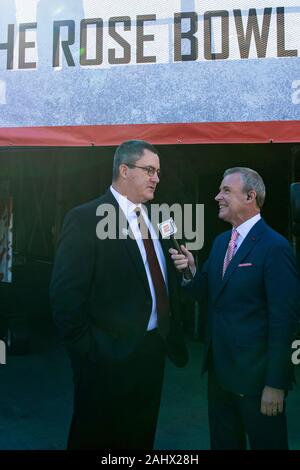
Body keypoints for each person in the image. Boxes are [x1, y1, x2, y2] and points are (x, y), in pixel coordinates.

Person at [50, 140, 188, 450]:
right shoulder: (86, 219)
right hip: (105, 360)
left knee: (141, 437)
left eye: (159, 172)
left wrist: (187, 269)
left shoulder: (163, 219)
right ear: (124, 171)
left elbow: (171, 271)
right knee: (96, 438)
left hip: (153, 351)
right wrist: (90, 353)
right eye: (149, 170)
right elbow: (65, 297)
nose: (156, 178)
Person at [170, 167, 300, 450]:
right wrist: (190, 272)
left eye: (226, 190)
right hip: (219, 378)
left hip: (257, 385)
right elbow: (204, 294)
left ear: (251, 196)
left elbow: (285, 321)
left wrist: (276, 384)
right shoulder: (220, 244)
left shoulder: (275, 247)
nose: (217, 196)